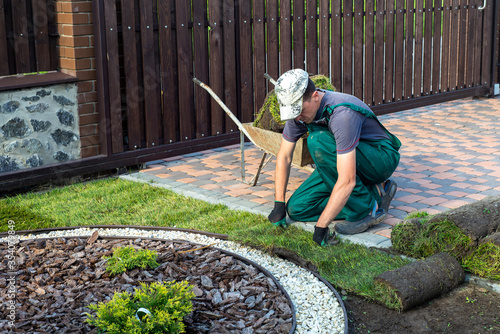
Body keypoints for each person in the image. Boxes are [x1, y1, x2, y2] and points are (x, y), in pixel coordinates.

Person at [267, 69, 401, 246]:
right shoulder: (299, 115)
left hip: (379, 159)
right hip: (346, 159)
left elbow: (347, 180)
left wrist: (321, 226)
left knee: (318, 141)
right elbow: (284, 157)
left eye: (299, 110)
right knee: (297, 208)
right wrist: (279, 205)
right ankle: (374, 193)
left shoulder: (341, 114)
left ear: (315, 96)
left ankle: (367, 209)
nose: (297, 117)